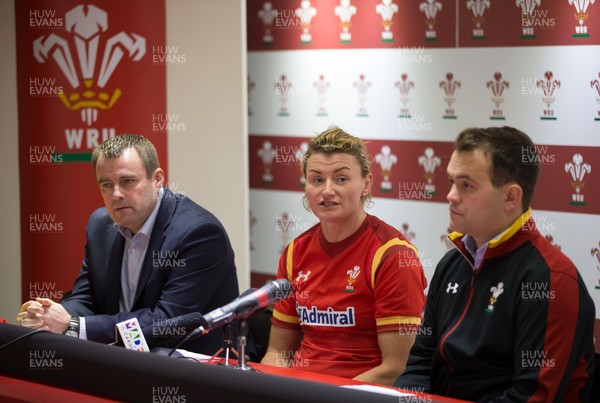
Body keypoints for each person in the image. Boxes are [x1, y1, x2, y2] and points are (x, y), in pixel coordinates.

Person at [395, 126, 596, 401]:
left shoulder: (550, 279)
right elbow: (420, 363)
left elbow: (530, 397)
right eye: (452, 182)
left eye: (466, 185)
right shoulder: (452, 262)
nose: (451, 195)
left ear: (511, 197)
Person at [17, 134, 240, 355]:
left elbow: (166, 323)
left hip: (196, 370)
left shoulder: (198, 233)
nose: (116, 194)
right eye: (106, 184)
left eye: (127, 181)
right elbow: (86, 297)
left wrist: (74, 325)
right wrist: (52, 314)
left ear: (158, 179)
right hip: (123, 360)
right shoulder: (100, 225)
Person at [260, 126, 427, 386]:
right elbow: (278, 353)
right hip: (298, 391)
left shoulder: (392, 255)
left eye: (341, 179)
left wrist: (327, 396)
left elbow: (396, 368)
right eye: (317, 180)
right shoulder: (295, 252)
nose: (327, 190)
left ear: (367, 184)